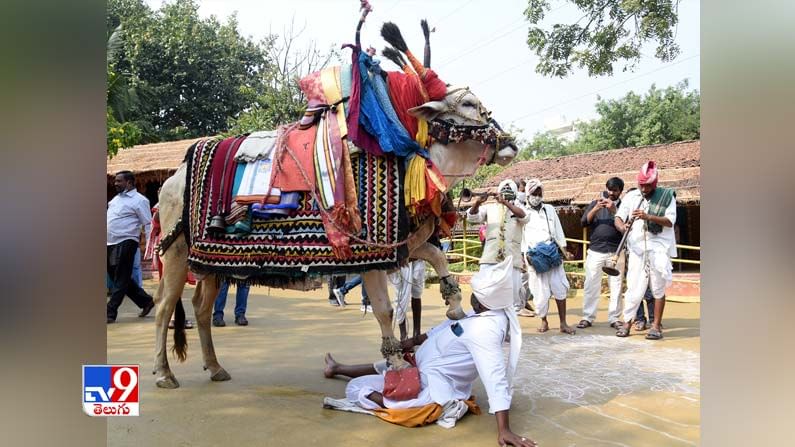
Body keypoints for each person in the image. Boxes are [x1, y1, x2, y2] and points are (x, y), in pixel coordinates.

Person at [323, 256, 536, 447]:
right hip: (420, 365)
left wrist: (504, 429)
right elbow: (445, 328)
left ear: (483, 302)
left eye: (475, 294)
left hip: (433, 386)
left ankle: (392, 402)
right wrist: (412, 342)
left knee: (359, 390)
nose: (471, 296)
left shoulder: (487, 329)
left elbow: (494, 376)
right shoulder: (482, 312)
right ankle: (337, 368)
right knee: (383, 367)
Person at [614, 161, 677, 340]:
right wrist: (622, 227)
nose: (644, 188)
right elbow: (618, 217)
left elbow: (670, 221)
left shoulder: (667, 196)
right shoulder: (632, 196)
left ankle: (656, 326)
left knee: (657, 288)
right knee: (633, 286)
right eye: (641, 184)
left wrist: (647, 216)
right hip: (637, 248)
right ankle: (627, 322)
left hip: (659, 248)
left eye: (648, 185)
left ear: (655, 183)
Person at [521, 178, 576, 334]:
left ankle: (563, 323)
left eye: (539, 194)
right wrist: (524, 257)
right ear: (528, 194)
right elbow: (521, 236)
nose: (537, 197)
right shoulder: (523, 212)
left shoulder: (549, 209)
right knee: (539, 292)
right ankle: (544, 321)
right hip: (534, 256)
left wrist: (565, 252)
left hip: (552, 253)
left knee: (559, 287)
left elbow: (558, 232)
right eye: (534, 194)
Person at [467, 179, 529, 316]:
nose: (505, 193)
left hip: (511, 262)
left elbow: (524, 217)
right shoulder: (489, 208)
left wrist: (506, 203)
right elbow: (471, 218)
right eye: (503, 190)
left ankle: (508, 332)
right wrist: (478, 202)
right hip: (490, 259)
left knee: (511, 298)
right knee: (485, 294)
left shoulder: (518, 208)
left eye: (509, 191)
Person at [106, 171, 156, 324]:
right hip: (109, 242)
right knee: (118, 277)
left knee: (121, 276)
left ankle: (110, 312)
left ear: (129, 183)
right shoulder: (115, 199)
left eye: (119, 181)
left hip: (127, 240)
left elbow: (148, 224)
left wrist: (149, 246)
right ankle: (146, 301)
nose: (116, 183)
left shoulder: (140, 200)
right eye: (115, 181)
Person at [578, 177, 625, 329]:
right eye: (609, 190)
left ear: (620, 192)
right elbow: (584, 223)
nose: (611, 193)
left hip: (616, 252)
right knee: (591, 284)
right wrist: (596, 208)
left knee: (616, 286)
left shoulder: (624, 206)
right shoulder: (594, 203)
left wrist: (614, 211)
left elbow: (626, 228)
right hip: (595, 251)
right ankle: (587, 317)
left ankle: (615, 318)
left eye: (615, 191)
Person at [388, 260, 426, 340]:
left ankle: (417, 334)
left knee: (417, 292)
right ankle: (403, 336)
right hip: (401, 256)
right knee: (401, 295)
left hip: (418, 256)